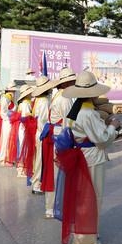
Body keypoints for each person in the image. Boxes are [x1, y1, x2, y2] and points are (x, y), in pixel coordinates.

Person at [57, 71, 122, 244]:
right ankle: (85, 239)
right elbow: (102, 139)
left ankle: (84, 232)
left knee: (81, 196)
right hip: (91, 157)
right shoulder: (88, 113)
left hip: (78, 155)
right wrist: (113, 126)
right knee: (91, 198)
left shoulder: (74, 110)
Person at [39, 67, 76, 219]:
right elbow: (68, 124)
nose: (74, 83)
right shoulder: (65, 99)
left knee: (53, 173)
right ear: (67, 83)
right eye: (72, 81)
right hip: (60, 138)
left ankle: (52, 206)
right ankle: (55, 207)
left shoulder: (59, 96)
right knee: (57, 174)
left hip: (54, 136)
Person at [29, 76, 51, 194]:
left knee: (37, 159)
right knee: (40, 160)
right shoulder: (44, 101)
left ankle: (36, 181)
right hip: (41, 133)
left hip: (37, 131)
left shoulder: (38, 100)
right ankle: (37, 184)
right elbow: (43, 121)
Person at [16, 84, 38, 180]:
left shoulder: (24, 103)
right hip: (25, 129)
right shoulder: (26, 104)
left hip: (23, 128)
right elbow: (25, 118)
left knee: (23, 148)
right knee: (24, 148)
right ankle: (21, 169)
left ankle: (22, 168)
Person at [0, 82, 16, 166]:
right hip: (7, 122)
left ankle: (8, 158)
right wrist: (10, 117)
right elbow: (2, 112)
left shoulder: (10, 97)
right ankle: (3, 159)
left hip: (11, 121)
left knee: (10, 140)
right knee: (6, 140)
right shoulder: (5, 98)